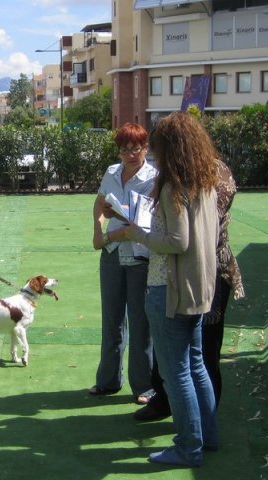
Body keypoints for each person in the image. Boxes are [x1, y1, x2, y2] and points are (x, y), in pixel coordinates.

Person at [112, 112, 219, 467]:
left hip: (170, 289)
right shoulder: (204, 181)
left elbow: (177, 240)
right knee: (196, 364)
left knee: (178, 373)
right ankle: (208, 436)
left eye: (156, 147)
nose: (153, 153)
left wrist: (136, 232)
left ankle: (189, 447)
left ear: (168, 148)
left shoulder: (173, 186)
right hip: (198, 287)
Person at [134, 159, 245, 422]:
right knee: (178, 351)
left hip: (206, 269)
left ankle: (200, 422)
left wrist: (141, 234)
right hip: (186, 269)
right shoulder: (183, 173)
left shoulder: (207, 174)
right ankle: (170, 403)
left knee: (199, 354)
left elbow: (184, 236)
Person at [89, 123, 158, 404]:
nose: (130, 154)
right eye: (124, 149)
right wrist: (98, 225)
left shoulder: (155, 177)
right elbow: (100, 202)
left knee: (141, 323)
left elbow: (142, 220)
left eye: (136, 148)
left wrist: (107, 235)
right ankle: (107, 380)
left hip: (140, 254)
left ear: (146, 148)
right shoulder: (112, 171)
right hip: (112, 254)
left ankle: (144, 386)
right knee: (112, 319)